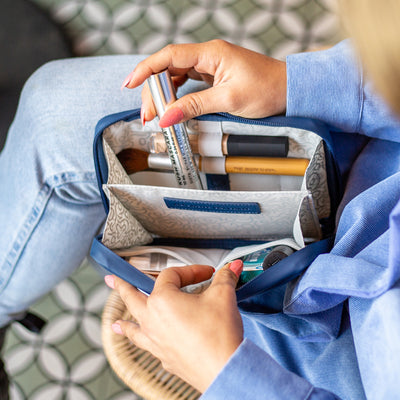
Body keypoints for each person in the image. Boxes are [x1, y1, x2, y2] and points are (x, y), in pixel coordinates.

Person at [0, 0, 399, 399]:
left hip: (313, 357)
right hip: (371, 148)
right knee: (51, 110)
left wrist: (220, 369)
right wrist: (291, 82)